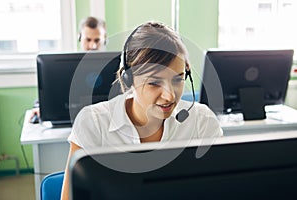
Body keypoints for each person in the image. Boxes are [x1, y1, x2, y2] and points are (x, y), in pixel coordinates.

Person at [60, 21, 223, 200]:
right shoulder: (94, 123)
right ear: (129, 79)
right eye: (154, 82)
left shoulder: (202, 121)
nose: (169, 96)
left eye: (178, 79)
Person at [29, 16, 107, 123]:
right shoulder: (65, 65)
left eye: (97, 40)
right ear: (80, 37)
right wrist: (39, 107)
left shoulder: (115, 64)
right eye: (88, 40)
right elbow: (50, 93)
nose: (92, 45)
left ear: (105, 39)